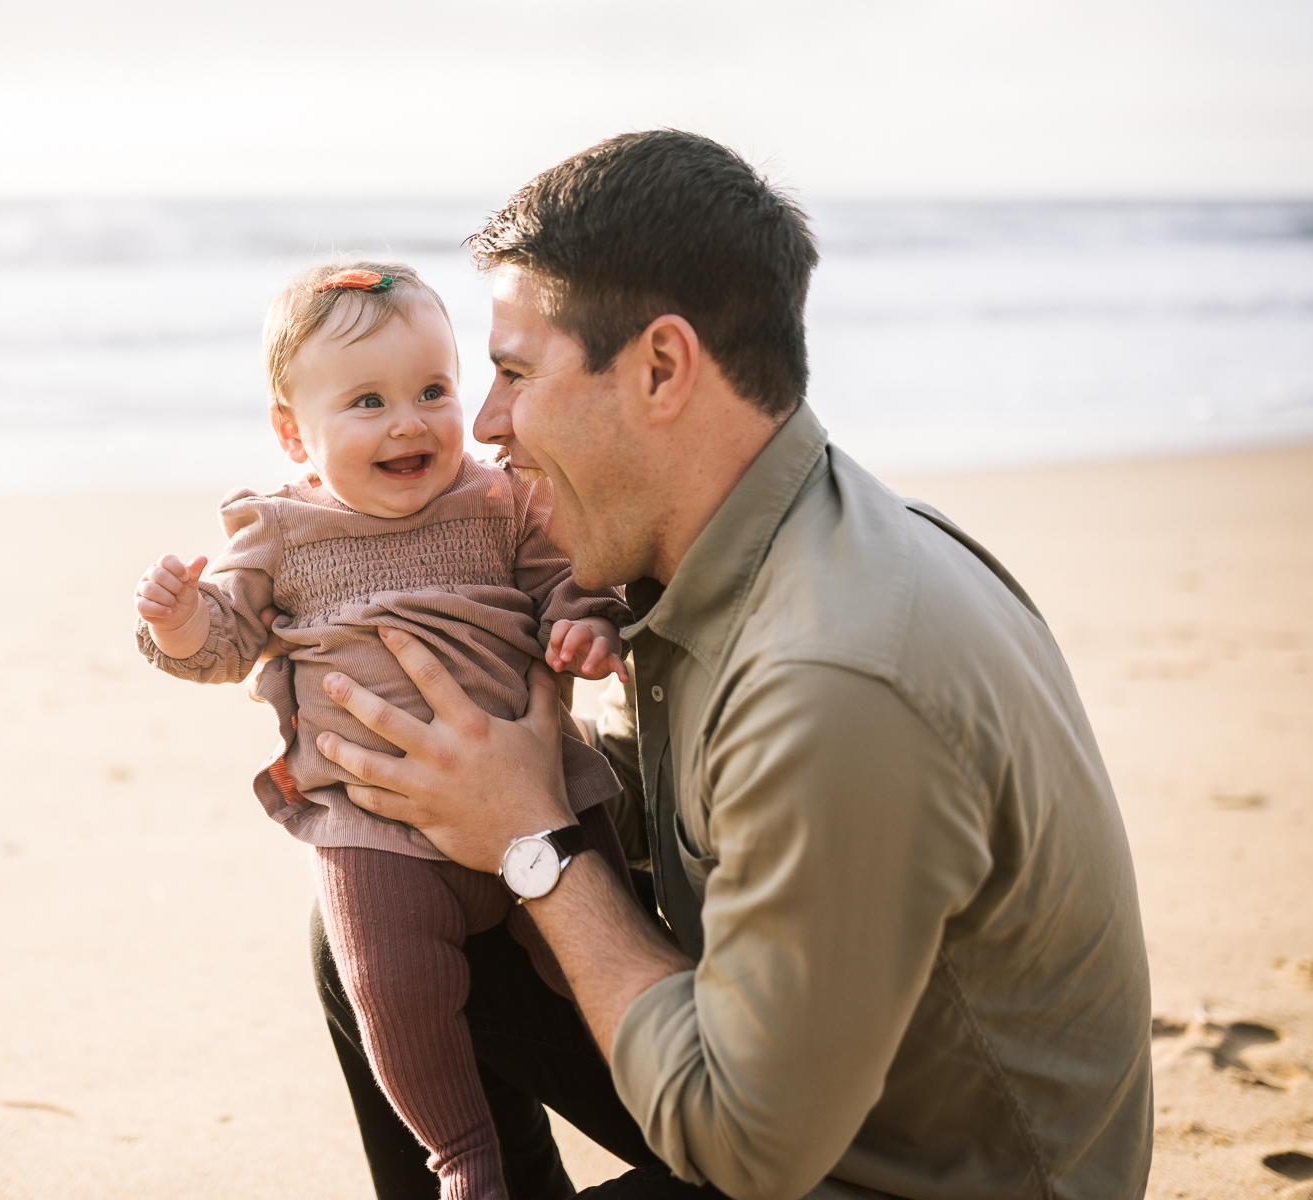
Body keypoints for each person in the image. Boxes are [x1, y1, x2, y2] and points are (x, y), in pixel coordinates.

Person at [310, 131, 1155, 1199]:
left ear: (661, 369)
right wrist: (486, 767)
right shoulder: (748, 547)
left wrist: (533, 837)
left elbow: (750, 1148)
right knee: (384, 896)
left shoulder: (834, 677)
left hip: (901, 1171)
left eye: (515, 373)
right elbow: (704, 805)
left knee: (501, 859)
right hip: (815, 1091)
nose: (484, 424)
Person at [133, 260, 649, 1200]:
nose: (409, 422)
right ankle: (463, 1155)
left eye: (433, 390)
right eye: (367, 401)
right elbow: (225, 643)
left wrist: (583, 623)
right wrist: (179, 623)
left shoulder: (500, 501)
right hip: (378, 833)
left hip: (540, 791)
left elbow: (562, 581)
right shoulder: (278, 530)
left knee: (604, 967)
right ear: (293, 432)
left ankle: (674, 1111)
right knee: (391, 993)